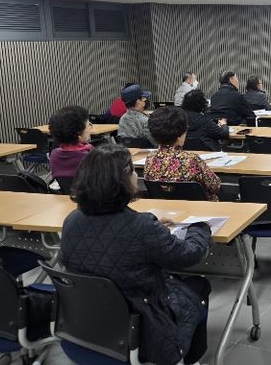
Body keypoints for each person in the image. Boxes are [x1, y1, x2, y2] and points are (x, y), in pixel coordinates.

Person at [61, 145, 212, 365]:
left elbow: (111, 231)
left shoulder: (72, 220)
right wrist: (200, 228)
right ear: (122, 181)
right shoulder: (141, 227)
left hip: (87, 322)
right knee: (199, 285)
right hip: (143, 325)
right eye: (132, 170)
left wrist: (147, 221)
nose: (136, 175)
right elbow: (189, 255)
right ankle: (187, 358)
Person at [145, 107, 222, 201]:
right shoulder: (191, 160)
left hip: (163, 206)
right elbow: (215, 186)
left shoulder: (150, 158)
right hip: (199, 207)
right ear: (179, 136)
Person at [48, 105, 93, 178]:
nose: (91, 128)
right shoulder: (91, 157)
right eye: (88, 125)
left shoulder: (54, 155)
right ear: (79, 135)